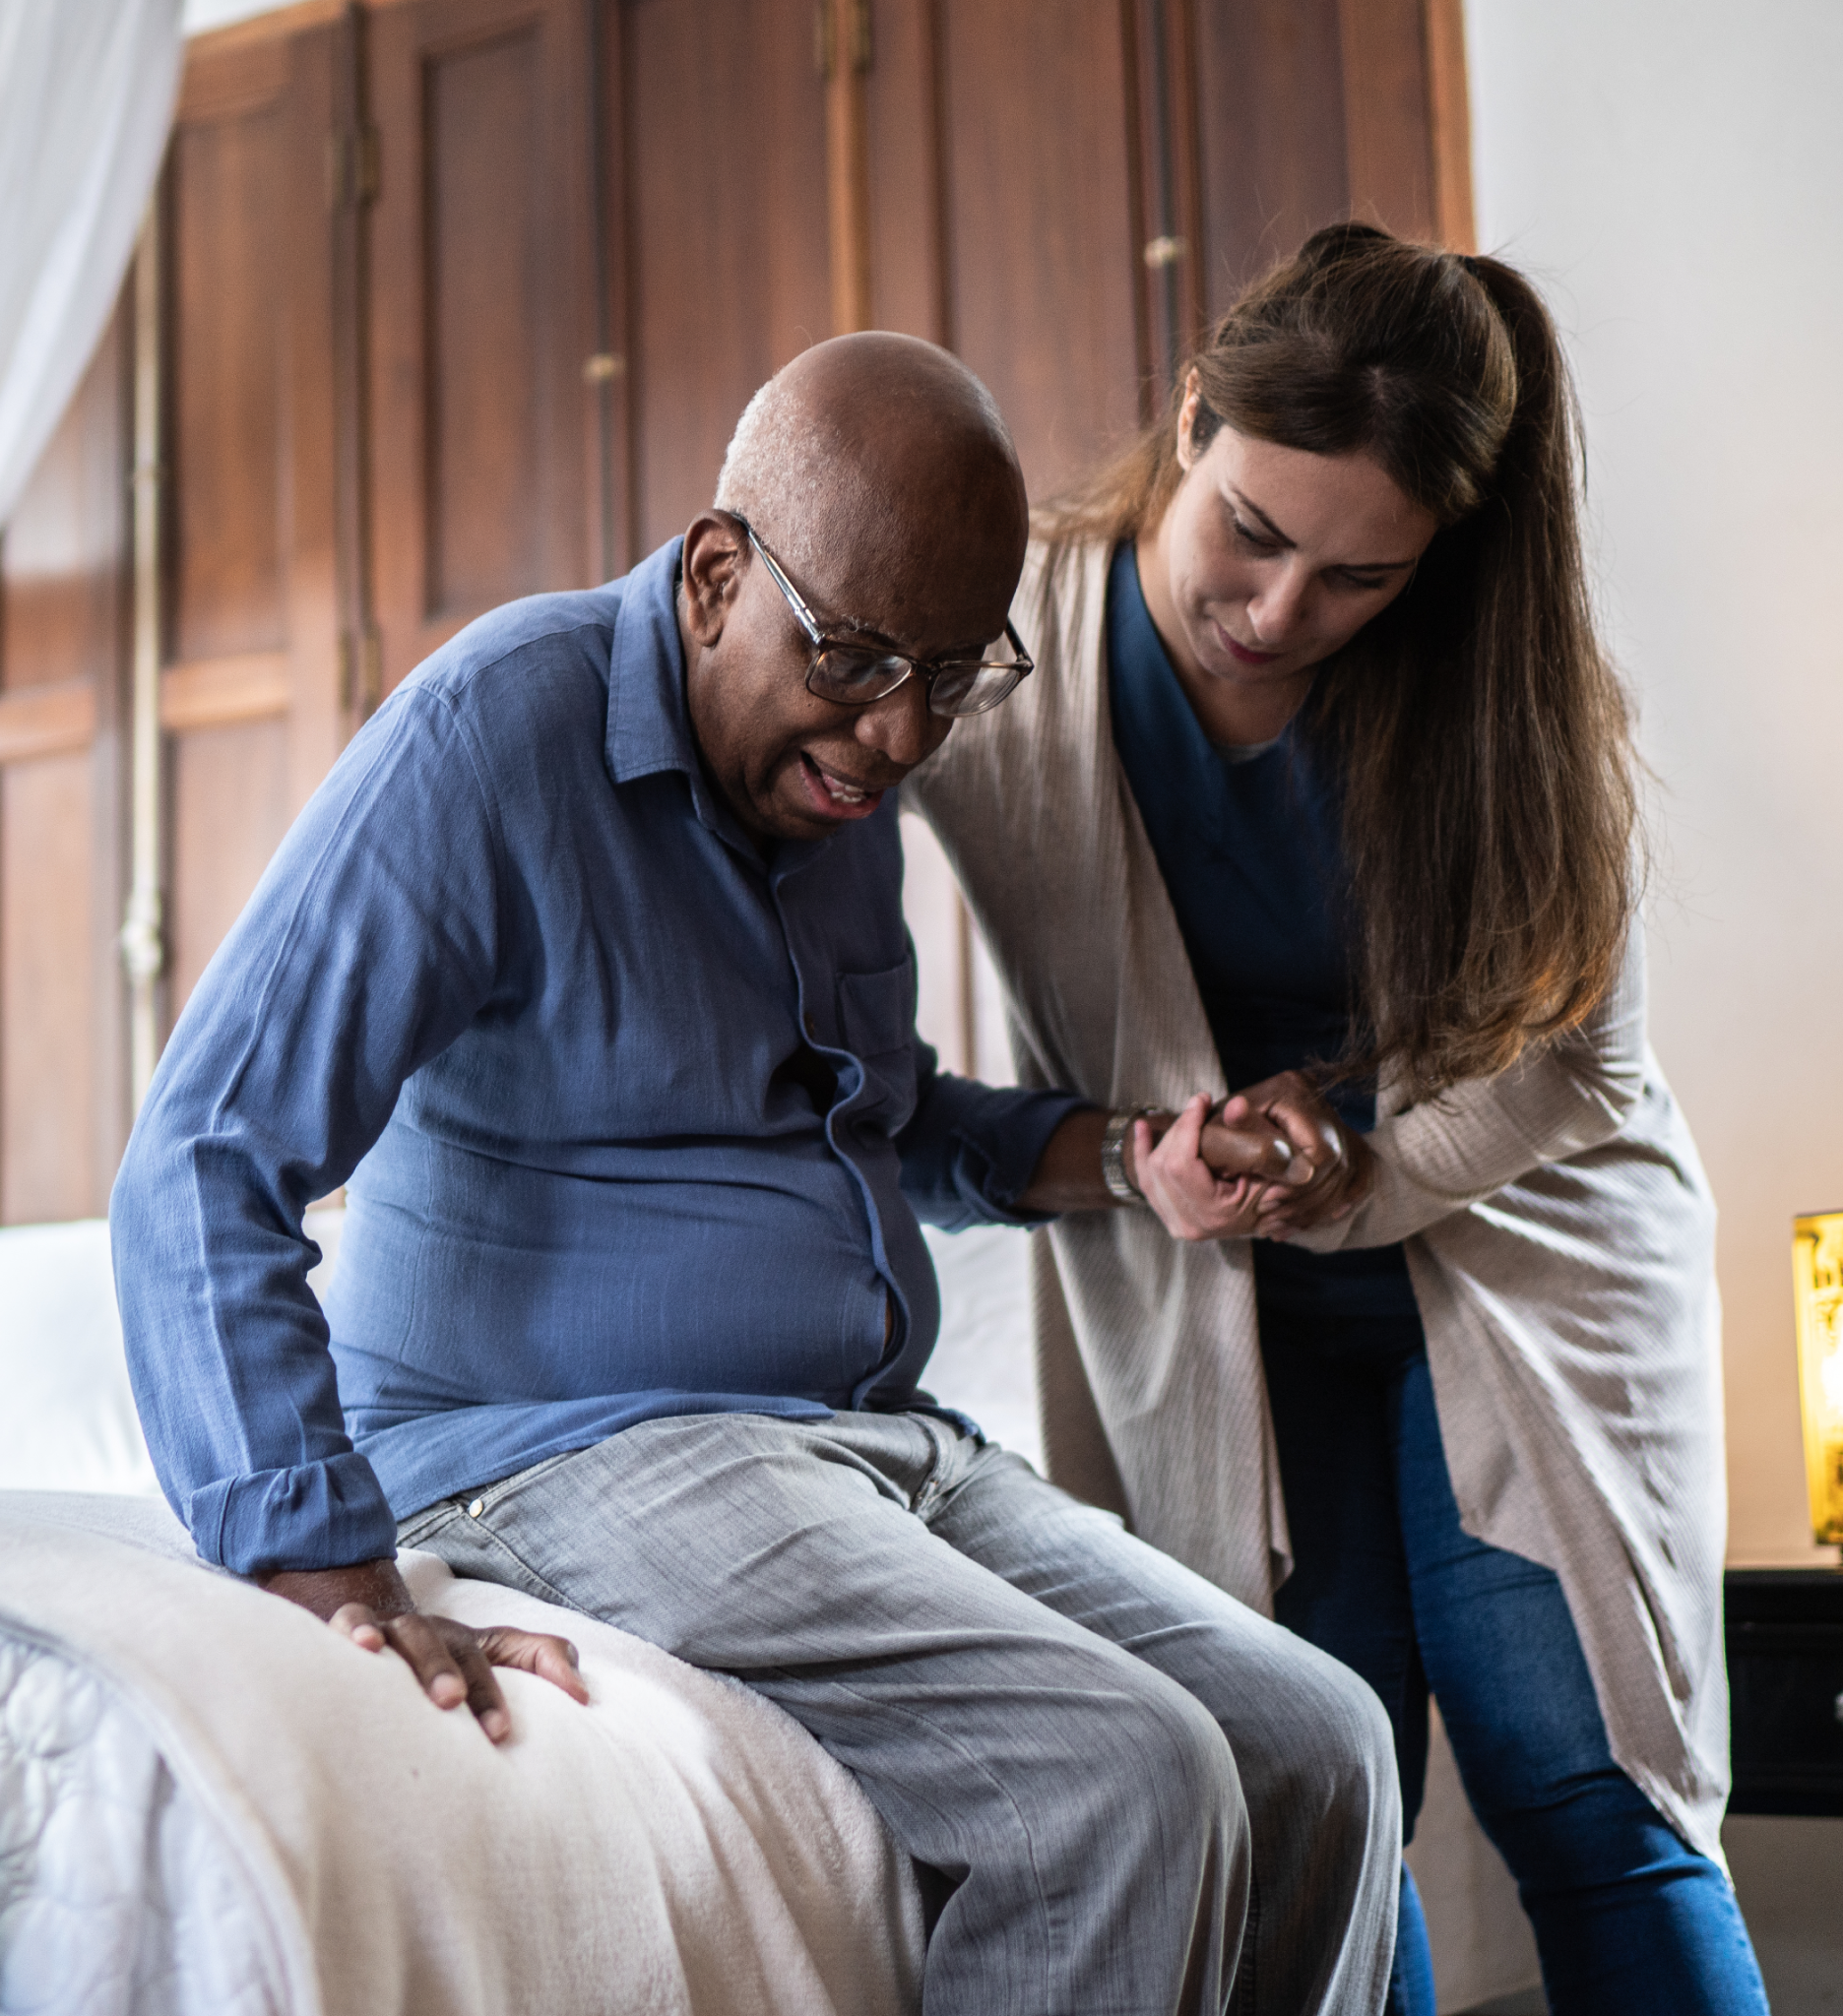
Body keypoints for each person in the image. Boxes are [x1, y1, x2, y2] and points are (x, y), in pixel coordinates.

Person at [111, 331, 1404, 2016]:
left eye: (954, 676)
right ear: (719, 573)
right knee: (1122, 1778)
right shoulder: (493, 739)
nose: (896, 735)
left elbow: (881, 1116)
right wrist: (320, 1561)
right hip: (563, 1451)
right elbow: (204, 1154)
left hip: (868, 1442)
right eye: (859, 658)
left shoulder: (829, 798)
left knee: (1324, 1742)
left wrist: (1120, 1158)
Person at [907, 225, 1770, 2015]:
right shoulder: (1009, 654)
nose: (1281, 613)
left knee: (1584, 1786)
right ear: (1195, 417)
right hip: (1223, 1304)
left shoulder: (1497, 688)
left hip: (1519, 1255)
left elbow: (1579, 1062)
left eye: (1358, 580)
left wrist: (1354, 1168)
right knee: (1321, 1798)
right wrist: (1132, 1153)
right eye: (1254, 532)